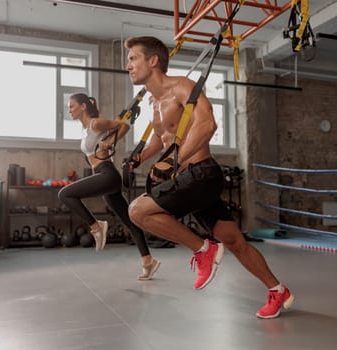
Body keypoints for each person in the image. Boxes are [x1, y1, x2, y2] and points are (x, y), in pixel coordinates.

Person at [124, 36, 294, 318]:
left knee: (137, 211)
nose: (128, 65)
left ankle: (202, 250)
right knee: (234, 240)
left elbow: (208, 123)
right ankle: (278, 290)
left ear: (153, 61)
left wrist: (173, 161)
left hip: (202, 173)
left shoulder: (182, 87)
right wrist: (139, 158)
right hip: (188, 178)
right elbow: (161, 137)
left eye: (133, 58)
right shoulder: (154, 101)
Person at [58, 93, 160, 281]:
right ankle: (148, 261)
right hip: (102, 175)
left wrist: (110, 142)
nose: (69, 110)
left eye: (72, 106)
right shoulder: (85, 129)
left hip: (108, 174)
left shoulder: (95, 123)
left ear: (83, 107)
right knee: (129, 220)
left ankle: (96, 227)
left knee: (65, 194)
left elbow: (124, 126)